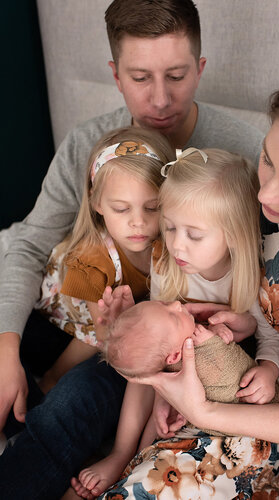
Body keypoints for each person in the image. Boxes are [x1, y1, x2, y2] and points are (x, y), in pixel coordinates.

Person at [96, 60, 279, 499]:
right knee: (146, 489)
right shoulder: (271, 232)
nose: (265, 195)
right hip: (265, 417)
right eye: (267, 159)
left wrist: (205, 410)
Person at [0, 1, 265, 497]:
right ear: (115, 74)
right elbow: (31, 242)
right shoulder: (88, 145)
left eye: (178, 75)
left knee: (73, 401)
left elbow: (275, 272)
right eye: (140, 77)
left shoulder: (245, 152)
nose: (161, 99)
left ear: (201, 68)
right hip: (93, 318)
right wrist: (5, 346)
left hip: (175, 346)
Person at [70, 148, 279, 498]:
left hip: (222, 376)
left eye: (194, 235)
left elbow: (272, 337)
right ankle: (122, 453)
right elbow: (157, 335)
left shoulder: (252, 277)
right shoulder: (166, 260)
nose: (177, 245)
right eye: (170, 227)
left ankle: (143, 455)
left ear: (233, 234)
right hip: (173, 358)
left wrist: (269, 369)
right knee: (145, 371)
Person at [33, 126, 174, 393]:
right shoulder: (91, 260)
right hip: (65, 312)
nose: (138, 222)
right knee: (94, 338)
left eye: (153, 207)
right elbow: (103, 333)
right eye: (121, 209)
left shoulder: (167, 244)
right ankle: (51, 379)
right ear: (97, 203)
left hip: (114, 310)